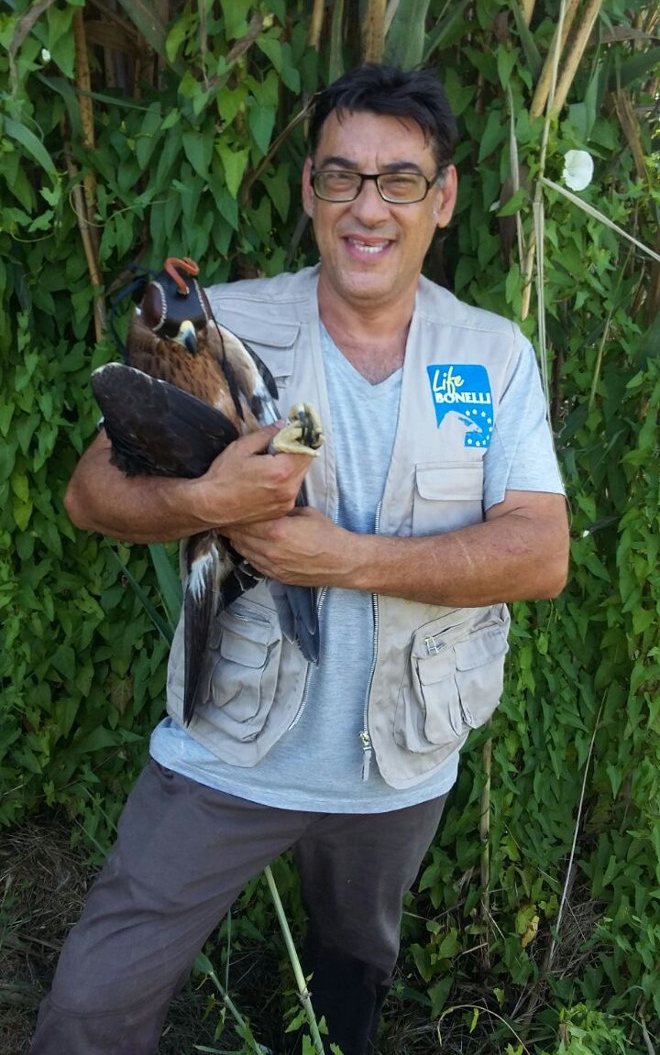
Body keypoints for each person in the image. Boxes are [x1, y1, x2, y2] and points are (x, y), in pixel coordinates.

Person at [32, 64, 569, 1055]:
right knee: (90, 1009)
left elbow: (540, 556)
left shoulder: (493, 356)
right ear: (311, 192)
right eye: (341, 178)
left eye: (399, 180)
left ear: (442, 199)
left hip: (398, 773)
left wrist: (342, 560)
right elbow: (89, 494)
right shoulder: (218, 327)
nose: (369, 208)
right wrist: (206, 498)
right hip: (225, 751)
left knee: (345, 994)